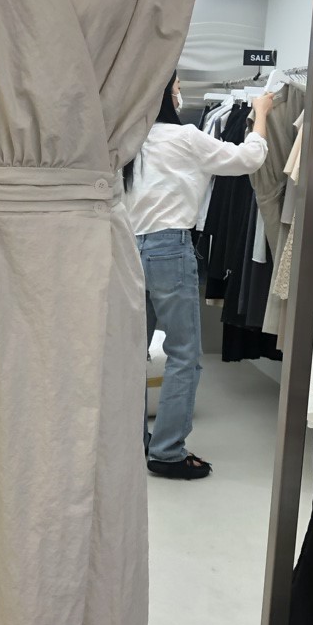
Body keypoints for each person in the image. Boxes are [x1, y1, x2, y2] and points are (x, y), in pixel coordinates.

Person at [124, 74, 273, 479]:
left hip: (126, 250)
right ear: (165, 96)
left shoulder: (126, 142)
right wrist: (260, 114)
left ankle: (130, 445)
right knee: (184, 355)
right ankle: (167, 452)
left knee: (130, 356)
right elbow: (249, 159)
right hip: (170, 248)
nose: (179, 95)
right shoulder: (185, 137)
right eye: (175, 89)